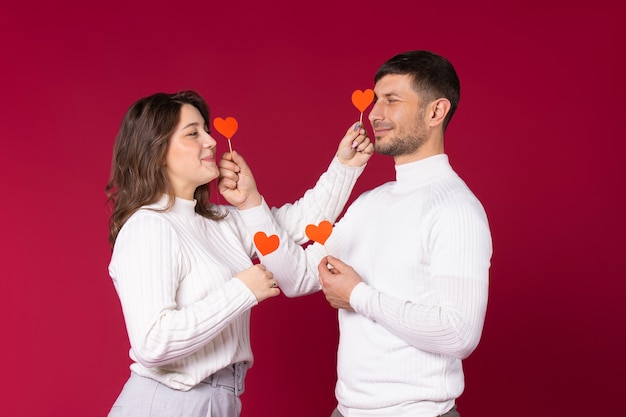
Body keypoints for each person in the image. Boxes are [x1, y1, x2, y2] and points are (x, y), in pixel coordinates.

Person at [228, 51, 493, 417]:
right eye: (376, 99)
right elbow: (297, 277)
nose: (375, 113)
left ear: (436, 112)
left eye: (392, 100)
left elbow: (459, 334)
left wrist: (357, 295)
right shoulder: (370, 203)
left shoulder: (456, 209)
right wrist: (250, 204)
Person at [104, 90, 373, 417]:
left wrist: (344, 166)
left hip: (221, 401)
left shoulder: (220, 221)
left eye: (206, 130)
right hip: (166, 404)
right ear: (157, 151)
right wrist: (242, 289)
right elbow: (152, 343)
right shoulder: (149, 225)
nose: (211, 142)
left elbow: (300, 224)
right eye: (193, 134)